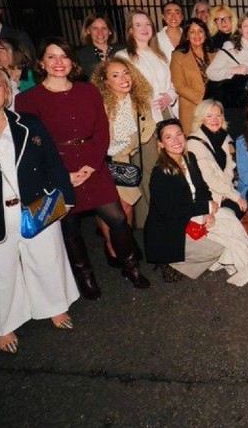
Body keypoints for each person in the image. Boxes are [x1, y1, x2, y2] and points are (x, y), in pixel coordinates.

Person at [16, 37, 150, 300]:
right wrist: (60, 175)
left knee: (118, 218)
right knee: (70, 227)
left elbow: (101, 131)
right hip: (57, 169)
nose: (58, 63)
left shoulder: (88, 91)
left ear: (72, 61)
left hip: (93, 163)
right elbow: (32, 146)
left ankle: (130, 267)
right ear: (41, 62)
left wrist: (91, 164)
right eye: (51, 57)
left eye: (64, 56)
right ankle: (85, 275)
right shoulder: (28, 100)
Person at [0, 67, 78, 354]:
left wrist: (65, 197)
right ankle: (1, 324)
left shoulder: (29, 124)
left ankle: (54, 305)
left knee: (47, 260)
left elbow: (53, 162)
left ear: (7, 93)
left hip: (36, 206)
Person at [145, 119, 248, 285]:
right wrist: (203, 207)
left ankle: (246, 255)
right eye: (168, 137)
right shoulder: (160, 173)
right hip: (171, 229)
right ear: (161, 144)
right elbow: (171, 212)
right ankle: (173, 264)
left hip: (193, 215)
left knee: (228, 220)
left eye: (178, 134)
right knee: (218, 247)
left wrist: (208, 212)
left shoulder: (189, 158)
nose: (176, 141)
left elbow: (203, 188)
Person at [115, 10, 179, 226]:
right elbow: (122, 90)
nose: (144, 28)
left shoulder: (158, 54)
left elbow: (171, 83)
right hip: (144, 119)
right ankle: (150, 220)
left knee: (169, 165)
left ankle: (171, 212)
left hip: (165, 114)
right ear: (130, 30)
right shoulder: (124, 57)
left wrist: (169, 96)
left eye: (147, 24)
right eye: (138, 24)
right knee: (149, 169)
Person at [91, 57, 155, 265]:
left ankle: (125, 243)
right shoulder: (99, 104)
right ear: (106, 81)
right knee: (108, 209)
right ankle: (111, 247)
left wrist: (134, 144)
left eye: (126, 72)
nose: (123, 78)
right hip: (101, 161)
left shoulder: (137, 101)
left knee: (126, 207)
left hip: (123, 160)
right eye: (115, 75)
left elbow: (149, 126)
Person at [207, 12, 248, 137]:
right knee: (242, 138)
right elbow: (210, 72)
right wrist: (232, 70)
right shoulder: (230, 47)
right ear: (240, 29)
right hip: (240, 102)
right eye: (246, 26)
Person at [187, 100, 247, 218]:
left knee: (240, 207)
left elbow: (231, 168)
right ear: (201, 119)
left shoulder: (226, 138)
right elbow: (208, 178)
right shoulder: (193, 143)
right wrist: (233, 195)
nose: (215, 119)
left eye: (218, 115)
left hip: (226, 189)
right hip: (208, 194)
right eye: (209, 116)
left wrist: (228, 192)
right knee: (234, 210)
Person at [170, 18, 217, 134]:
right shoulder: (178, 56)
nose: (197, 35)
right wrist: (204, 100)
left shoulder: (216, 53)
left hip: (215, 108)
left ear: (206, 34)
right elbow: (179, 86)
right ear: (186, 35)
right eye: (192, 31)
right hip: (192, 108)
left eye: (200, 31)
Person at [75, 14, 121, 79]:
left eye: (104, 28)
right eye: (95, 28)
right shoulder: (80, 55)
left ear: (110, 31)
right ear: (88, 31)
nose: (100, 32)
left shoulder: (122, 51)